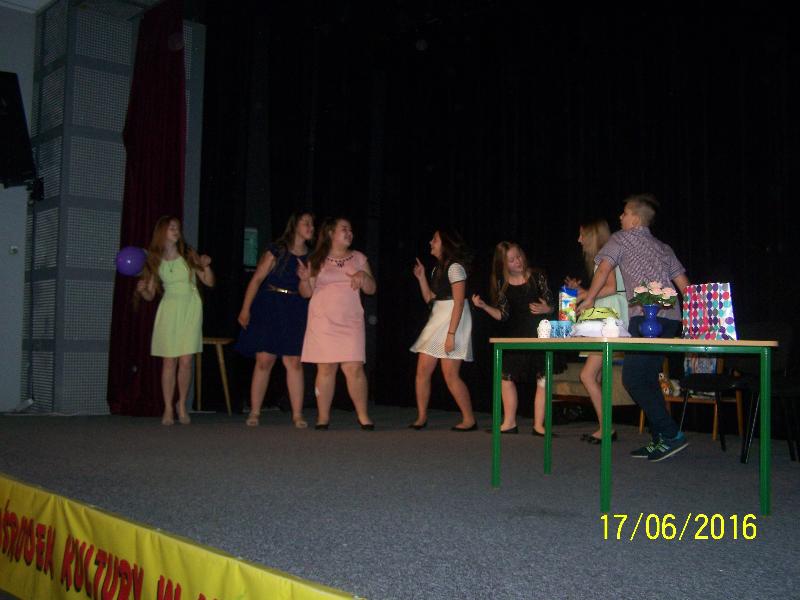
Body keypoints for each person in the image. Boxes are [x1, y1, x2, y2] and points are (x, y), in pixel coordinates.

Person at [577, 194, 690, 462]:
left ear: (635, 219)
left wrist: (589, 298)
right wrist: (697, 318)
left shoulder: (620, 238)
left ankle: (671, 434)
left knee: (634, 379)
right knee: (647, 377)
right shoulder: (664, 247)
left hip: (645, 317)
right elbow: (685, 287)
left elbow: (603, 270)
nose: (620, 217)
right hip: (670, 319)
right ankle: (660, 438)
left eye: (625, 213)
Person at [235, 212, 315, 428]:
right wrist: (245, 309)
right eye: (306, 223)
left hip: (295, 308)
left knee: (293, 361)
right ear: (294, 226)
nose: (311, 227)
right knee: (264, 360)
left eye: (312, 224)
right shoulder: (277, 250)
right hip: (269, 304)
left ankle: (297, 414)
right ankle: (255, 412)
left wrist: (304, 279)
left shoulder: (311, 257)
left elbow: (308, 292)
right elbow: (256, 279)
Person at [297, 217, 376, 430]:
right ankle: (323, 417)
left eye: (350, 229)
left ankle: (363, 416)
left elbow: (371, 289)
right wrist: (304, 279)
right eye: (344, 229)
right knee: (326, 369)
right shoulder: (317, 259)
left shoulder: (359, 258)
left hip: (350, 321)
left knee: (354, 368)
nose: (349, 233)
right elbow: (306, 293)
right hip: (323, 323)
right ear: (331, 233)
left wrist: (363, 276)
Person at [473, 241, 558, 435]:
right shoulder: (503, 285)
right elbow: (503, 315)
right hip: (516, 336)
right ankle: (509, 422)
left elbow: (552, 304)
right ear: (503, 264)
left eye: (518, 256)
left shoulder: (537, 276)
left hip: (540, 335)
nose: (517, 261)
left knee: (543, 379)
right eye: (511, 260)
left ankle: (539, 425)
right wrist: (484, 306)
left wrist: (547, 309)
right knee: (506, 377)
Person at [136, 216, 215, 426]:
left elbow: (208, 282)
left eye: (177, 227)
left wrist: (206, 266)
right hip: (169, 308)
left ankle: (181, 405)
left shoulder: (188, 254)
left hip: (190, 307)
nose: (176, 230)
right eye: (171, 227)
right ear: (162, 231)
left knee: (186, 360)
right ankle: (168, 407)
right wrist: (143, 291)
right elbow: (150, 295)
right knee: (169, 361)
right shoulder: (154, 259)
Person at [564, 219, 628, 444]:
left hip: (608, 317)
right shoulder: (606, 256)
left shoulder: (604, 256)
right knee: (596, 375)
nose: (579, 240)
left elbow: (611, 287)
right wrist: (584, 292)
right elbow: (608, 288)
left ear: (591, 236)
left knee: (587, 375)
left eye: (582, 235)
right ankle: (604, 427)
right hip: (608, 313)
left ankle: (607, 428)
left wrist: (586, 295)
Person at [409, 229, 477, 431]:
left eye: (435, 239)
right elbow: (430, 299)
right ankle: (421, 417)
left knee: (450, 374)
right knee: (422, 370)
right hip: (438, 318)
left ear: (445, 244)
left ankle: (469, 419)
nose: (431, 242)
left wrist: (451, 335)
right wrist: (421, 277)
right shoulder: (437, 269)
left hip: (453, 320)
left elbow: (459, 302)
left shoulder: (455, 268)